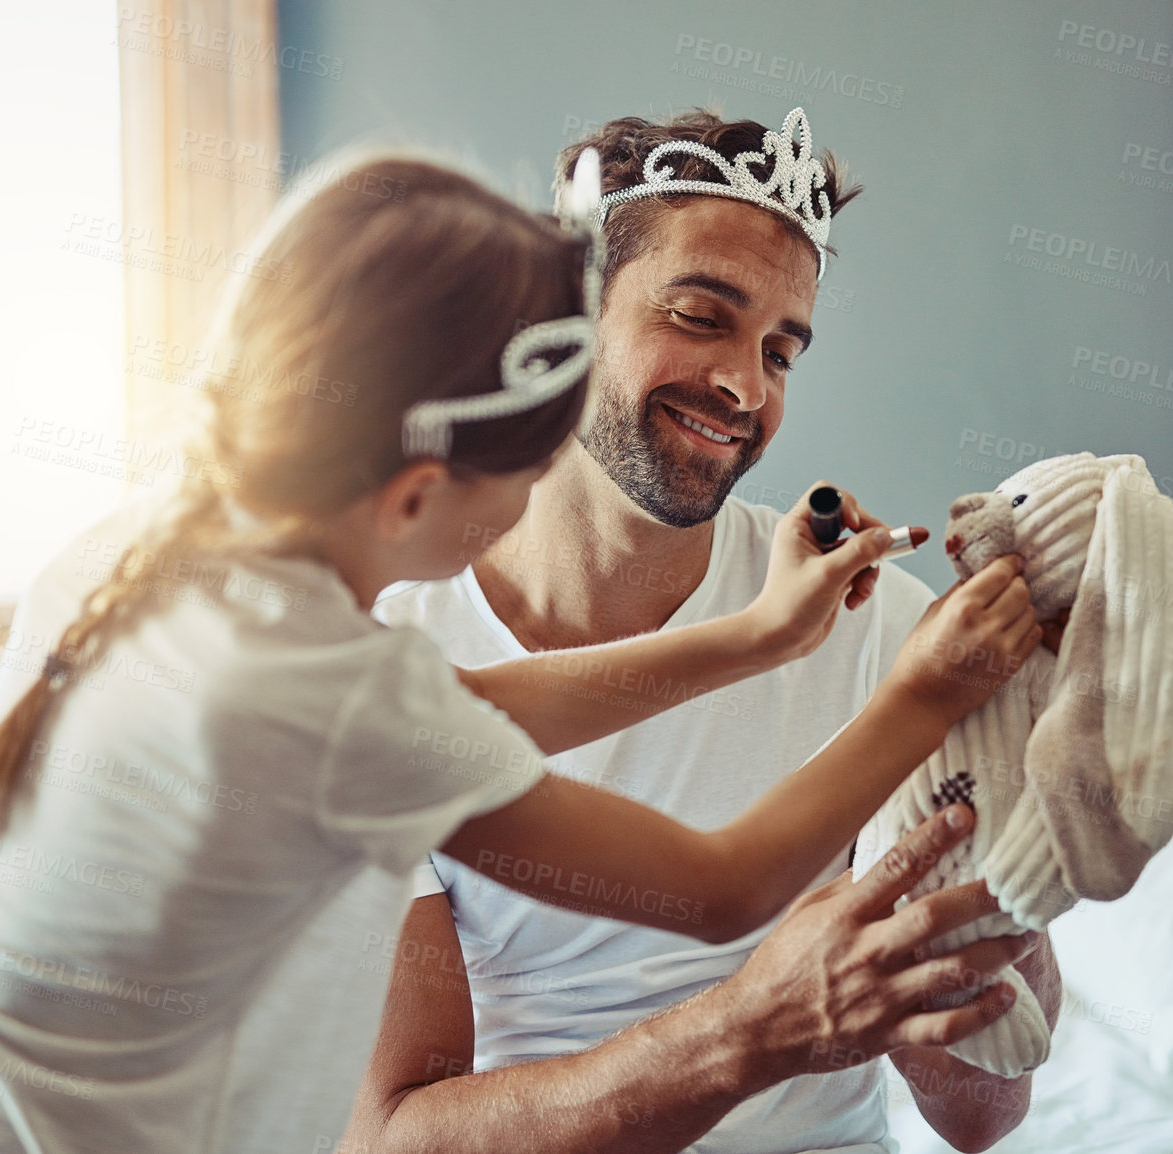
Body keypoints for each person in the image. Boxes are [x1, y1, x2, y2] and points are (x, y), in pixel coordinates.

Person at [0, 149, 1037, 1154]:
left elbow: (476, 709)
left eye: (782, 348)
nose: (523, 509)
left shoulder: (145, 558)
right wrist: (925, 688)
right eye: (515, 478)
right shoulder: (329, 693)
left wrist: (757, 635)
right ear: (413, 496)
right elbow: (719, 885)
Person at [351, 110, 1063, 1154]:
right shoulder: (379, 669)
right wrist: (757, 1027)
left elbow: (982, 1117)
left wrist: (984, 908)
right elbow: (391, 1138)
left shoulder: (883, 632)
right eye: (697, 315)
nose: (747, 386)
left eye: (782, 348)